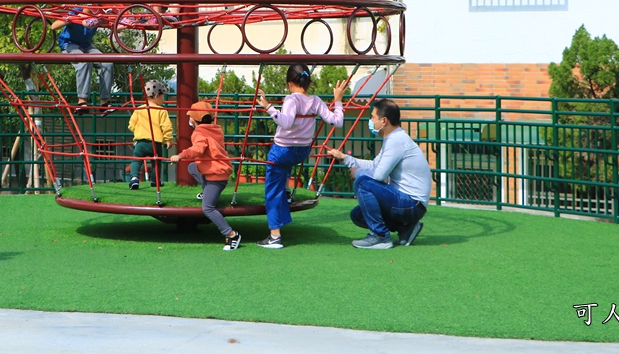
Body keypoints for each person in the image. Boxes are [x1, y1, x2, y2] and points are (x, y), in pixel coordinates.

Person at [254, 66, 347, 249]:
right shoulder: (315, 101)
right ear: (309, 82)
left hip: (283, 150)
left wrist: (268, 107)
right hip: (302, 150)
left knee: (272, 190)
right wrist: (338, 100)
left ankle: (275, 236)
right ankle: (286, 194)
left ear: (289, 83)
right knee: (283, 173)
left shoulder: (291, 99)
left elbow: (286, 123)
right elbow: (337, 122)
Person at [326, 98, 431, 250]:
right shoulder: (393, 139)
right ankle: (405, 228)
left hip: (411, 204)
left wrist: (358, 173)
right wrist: (345, 158)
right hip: (410, 204)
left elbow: (378, 175)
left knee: (362, 183)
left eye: (373, 117)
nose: (370, 121)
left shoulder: (396, 141)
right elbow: (375, 165)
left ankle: (380, 237)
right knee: (358, 215)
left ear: (384, 121)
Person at [170, 101, 242, 251]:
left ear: (194, 119)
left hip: (216, 176)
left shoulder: (199, 133)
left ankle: (231, 234)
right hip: (219, 170)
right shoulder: (216, 129)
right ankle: (207, 191)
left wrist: (181, 155)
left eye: (190, 117)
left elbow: (198, 149)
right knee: (192, 166)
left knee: (207, 208)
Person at [51, 10, 115, 114]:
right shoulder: (75, 12)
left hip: (87, 45)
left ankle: (105, 102)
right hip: (69, 44)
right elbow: (54, 26)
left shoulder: (98, 14)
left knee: (107, 63)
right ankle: (82, 101)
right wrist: (72, 19)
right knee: (84, 61)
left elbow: (111, 24)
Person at [127, 80, 174, 189]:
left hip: (141, 142)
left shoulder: (139, 109)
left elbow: (131, 125)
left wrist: (138, 131)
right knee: (156, 162)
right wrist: (168, 139)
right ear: (157, 96)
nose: (164, 99)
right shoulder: (162, 111)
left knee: (136, 160)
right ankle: (155, 181)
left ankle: (134, 179)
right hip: (155, 142)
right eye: (163, 96)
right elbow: (166, 126)